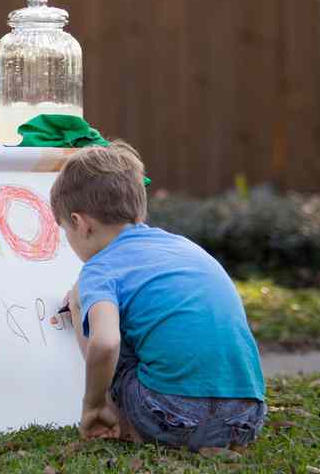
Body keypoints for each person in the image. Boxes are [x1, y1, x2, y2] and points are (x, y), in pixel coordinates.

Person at [50, 141, 266, 450]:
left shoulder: (98, 269)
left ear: (79, 223)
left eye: (65, 232)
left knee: (79, 299)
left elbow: (107, 341)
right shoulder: (183, 247)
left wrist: (93, 404)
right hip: (245, 418)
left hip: (172, 414)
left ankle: (120, 422)